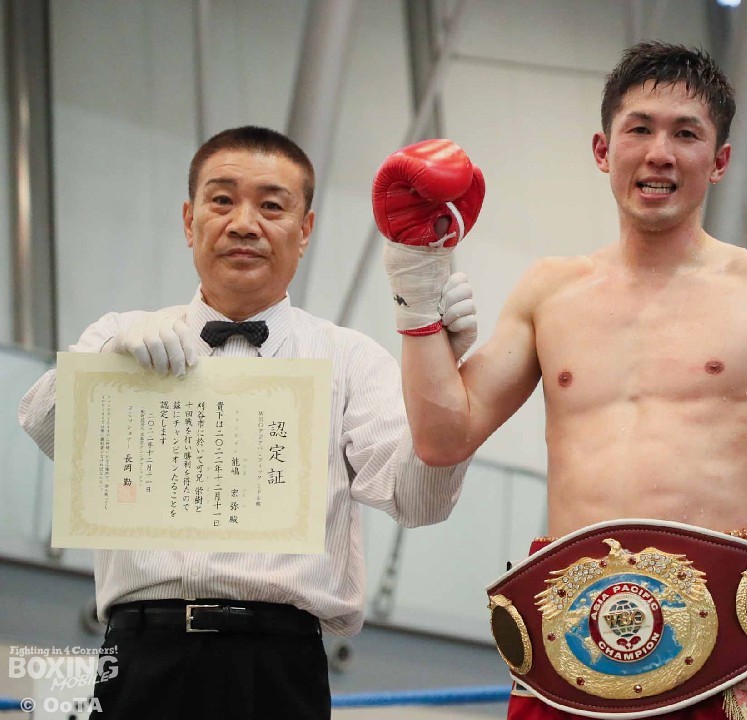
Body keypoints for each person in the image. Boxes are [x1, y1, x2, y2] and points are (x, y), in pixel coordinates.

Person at [372, 43, 747, 720]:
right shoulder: (549, 290)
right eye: (640, 129)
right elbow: (442, 437)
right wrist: (416, 283)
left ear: (719, 161)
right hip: (570, 655)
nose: (660, 153)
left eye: (686, 134)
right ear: (603, 150)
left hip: (726, 658)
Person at [18, 126, 477, 720]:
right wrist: (109, 365)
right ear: (189, 221)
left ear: (305, 230)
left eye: (272, 206)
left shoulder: (350, 358)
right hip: (139, 651)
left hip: (281, 662)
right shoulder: (119, 333)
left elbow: (419, 501)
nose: (243, 224)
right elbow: (44, 426)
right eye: (222, 200)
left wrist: (441, 375)